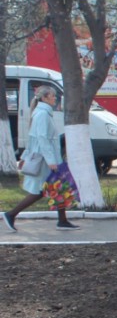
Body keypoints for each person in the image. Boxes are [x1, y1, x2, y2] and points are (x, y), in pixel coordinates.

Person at [2, 86, 79, 232]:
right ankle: (11, 214)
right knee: (41, 190)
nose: (55, 98)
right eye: (52, 96)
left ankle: (62, 221)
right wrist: (51, 161)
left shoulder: (41, 113)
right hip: (46, 161)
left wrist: (25, 157)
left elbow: (33, 139)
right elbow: (42, 139)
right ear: (44, 98)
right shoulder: (42, 115)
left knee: (58, 188)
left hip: (49, 159)